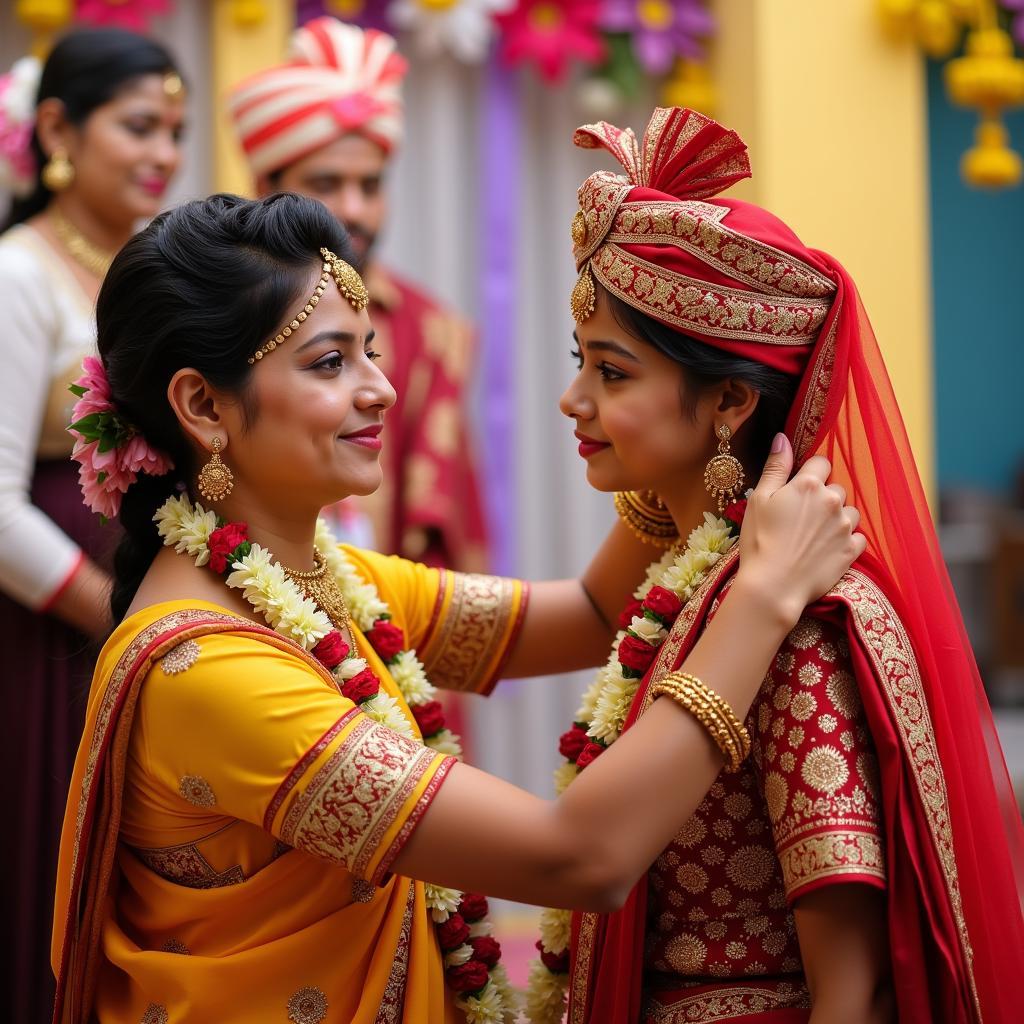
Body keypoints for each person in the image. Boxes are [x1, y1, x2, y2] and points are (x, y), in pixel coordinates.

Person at [49, 191, 862, 1024]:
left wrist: (677, 439)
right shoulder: (210, 673)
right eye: (330, 364)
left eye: (369, 351)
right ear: (202, 407)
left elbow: (586, 613)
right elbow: (577, 858)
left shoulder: (316, 578)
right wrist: (763, 597)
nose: (382, 391)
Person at [526, 107, 1024, 1024]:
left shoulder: (794, 623)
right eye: (581, 362)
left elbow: (857, 990)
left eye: (613, 373)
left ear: (727, 401)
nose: (574, 399)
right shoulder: (708, 588)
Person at [0, 29, 184, 1024]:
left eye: (176, 131)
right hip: (48, 636)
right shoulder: (18, 275)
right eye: (140, 126)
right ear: (60, 128)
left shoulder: (146, 275)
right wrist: (111, 617)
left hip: (145, 628)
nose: (163, 152)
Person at [227, 16, 488, 570]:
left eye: (370, 186)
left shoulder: (432, 329)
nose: (353, 209)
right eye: (325, 184)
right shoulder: (225, 314)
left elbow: (449, 527)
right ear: (264, 189)